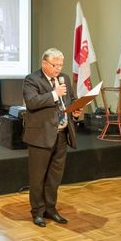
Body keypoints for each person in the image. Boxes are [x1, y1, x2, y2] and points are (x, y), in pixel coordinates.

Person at [22, 48, 82, 227]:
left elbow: (71, 99)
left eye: (61, 65)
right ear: (44, 64)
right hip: (41, 136)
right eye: (55, 65)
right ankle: (37, 212)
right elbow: (32, 102)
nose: (58, 69)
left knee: (55, 176)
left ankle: (50, 208)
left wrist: (76, 110)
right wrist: (55, 94)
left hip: (61, 134)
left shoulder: (64, 79)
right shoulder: (32, 80)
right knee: (38, 177)